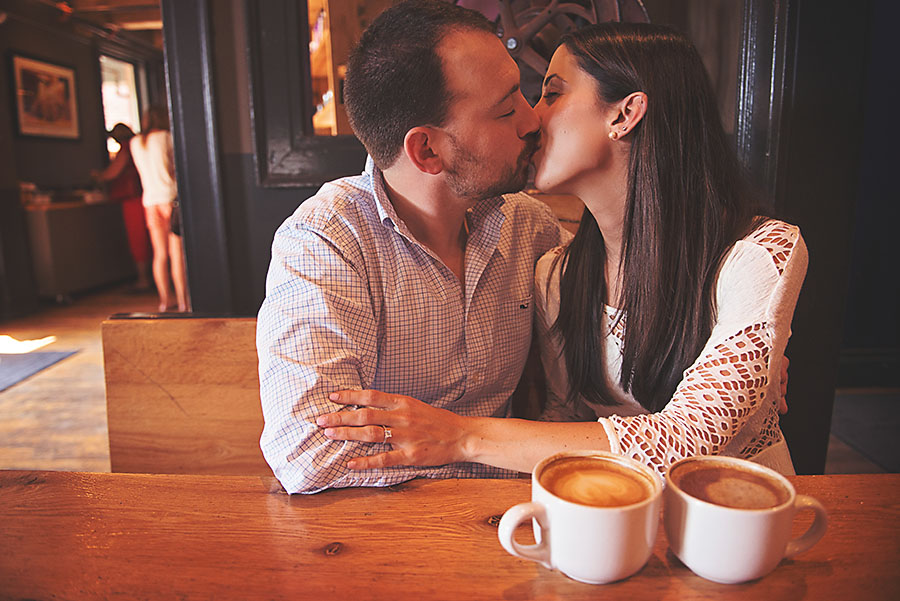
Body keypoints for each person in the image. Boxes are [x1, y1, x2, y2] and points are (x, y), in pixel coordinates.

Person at [317, 22, 807, 478]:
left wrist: (461, 437)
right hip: (613, 524)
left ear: (624, 114)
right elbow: (567, 416)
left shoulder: (760, 255)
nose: (532, 120)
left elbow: (688, 438)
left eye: (550, 93)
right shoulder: (555, 271)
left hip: (743, 526)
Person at [256, 0, 568, 494]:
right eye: (507, 109)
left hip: (511, 518)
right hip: (382, 533)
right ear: (427, 150)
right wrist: (482, 459)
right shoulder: (326, 241)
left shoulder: (530, 228)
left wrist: (472, 441)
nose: (533, 122)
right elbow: (307, 453)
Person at [129, 106, 189, 313]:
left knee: (160, 254)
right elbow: (176, 169)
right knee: (177, 254)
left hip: (150, 201)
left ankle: (164, 301)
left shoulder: (135, 142)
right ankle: (183, 302)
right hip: (170, 199)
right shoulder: (166, 137)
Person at [93, 123, 152, 292]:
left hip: (133, 198)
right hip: (143, 195)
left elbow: (113, 173)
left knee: (138, 239)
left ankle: (143, 279)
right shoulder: (141, 145)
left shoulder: (127, 148)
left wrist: (98, 176)